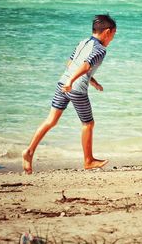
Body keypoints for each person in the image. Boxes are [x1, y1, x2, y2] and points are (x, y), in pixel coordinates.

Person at [22, 14, 117, 174]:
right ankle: (89, 160)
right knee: (88, 124)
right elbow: (86, 66)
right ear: (107, 32)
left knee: (50, 120)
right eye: (113, 35)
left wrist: (92, 82)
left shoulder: (83, 43)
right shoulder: (100, 50)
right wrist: (72, 82)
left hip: (62, 83)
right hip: (75, 88)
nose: (112, 39)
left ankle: (29, 151)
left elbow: (71, 64)